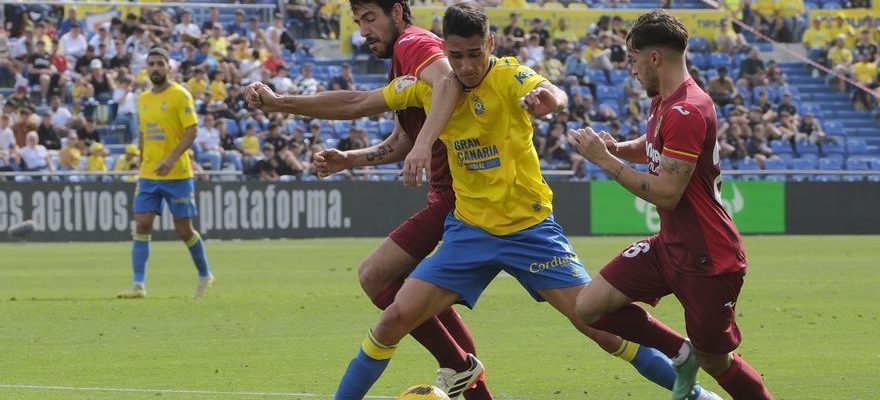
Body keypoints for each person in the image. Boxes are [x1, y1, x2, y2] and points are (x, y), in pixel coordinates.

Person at [251, 5, 721, 400]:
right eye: (456, 56)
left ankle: (696, 391)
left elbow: (551, 91)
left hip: (530, 230)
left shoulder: (508, 74)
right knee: (392, 318)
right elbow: (356, 102)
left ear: (490, 45)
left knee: (597, 326)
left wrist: (546, 97)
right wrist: (282, 103)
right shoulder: (425, 88)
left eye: (476, 54)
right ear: (445, 53)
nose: (468, 65)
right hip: (469, 231)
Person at [247, 0, 492, 398]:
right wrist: (351, 158)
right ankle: (464, 370)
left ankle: (460, 365)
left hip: (460, 197)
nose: (363, 30)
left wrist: (279, 102)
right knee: (416, 293)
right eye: (359, 21)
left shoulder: (412, 43)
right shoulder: (403, 62)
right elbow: (400, 138)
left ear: (397, 13)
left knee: (376, 276)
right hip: (457, 196)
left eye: (370, 18)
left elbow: (446, 80)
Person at [567, 10, 775, 400]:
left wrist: (604, 161)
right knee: (589, 307)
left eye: (634, 59)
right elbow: (654, 147)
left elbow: (666, 192)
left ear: (654, 58)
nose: (632, 70)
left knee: (716, 362)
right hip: (671, 246)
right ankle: (680, 352)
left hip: (707, 258)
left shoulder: (687, 109)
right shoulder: (665, 101)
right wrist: (618, 148)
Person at [117, 48, 214, 299]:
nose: (156, 68)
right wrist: (140, 161)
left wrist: (171, 159)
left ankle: (205, 275)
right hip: (149, 174)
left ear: (168, 68)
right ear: (147, 68)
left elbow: (191, 131)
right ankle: (138, 285)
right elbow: (143, 134)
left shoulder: (180, 95)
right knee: (142, 223)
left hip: (177, 174)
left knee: (184, 230)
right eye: (152, 64)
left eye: (160, 63)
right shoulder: (143, 99)